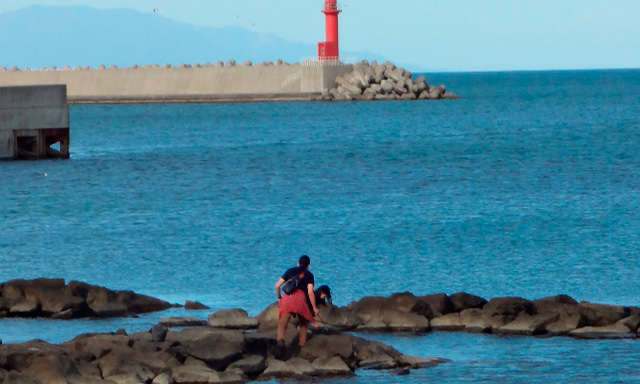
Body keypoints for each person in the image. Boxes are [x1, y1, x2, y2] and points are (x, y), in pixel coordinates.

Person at [274, 255, 320, 356]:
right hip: (299, 300)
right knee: (303, 323)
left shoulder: (290, 271)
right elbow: (310, 292)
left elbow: (277, 286)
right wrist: (314, 307)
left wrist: (279, 297)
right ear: (309, 265)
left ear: (298, 263)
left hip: (287, 298)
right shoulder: (309, 275)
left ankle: (280, 341)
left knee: (282, 322)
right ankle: (301, 345)